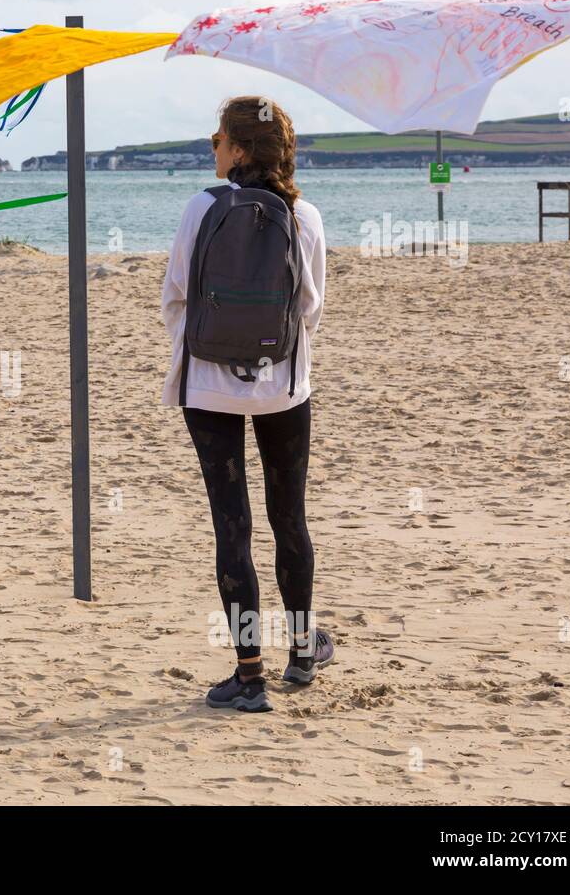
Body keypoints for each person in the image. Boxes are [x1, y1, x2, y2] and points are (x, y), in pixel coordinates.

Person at [161, 96, 333, 712]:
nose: (213, 149)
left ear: (236, 150)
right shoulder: (304, 215)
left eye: (217, 140)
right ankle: (303, 651)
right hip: (284, 385)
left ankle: (248, 673)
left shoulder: (201, 207)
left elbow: (175, 294)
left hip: (207, 386)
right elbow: (310, 309)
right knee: (290, 517)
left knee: (231, 525)